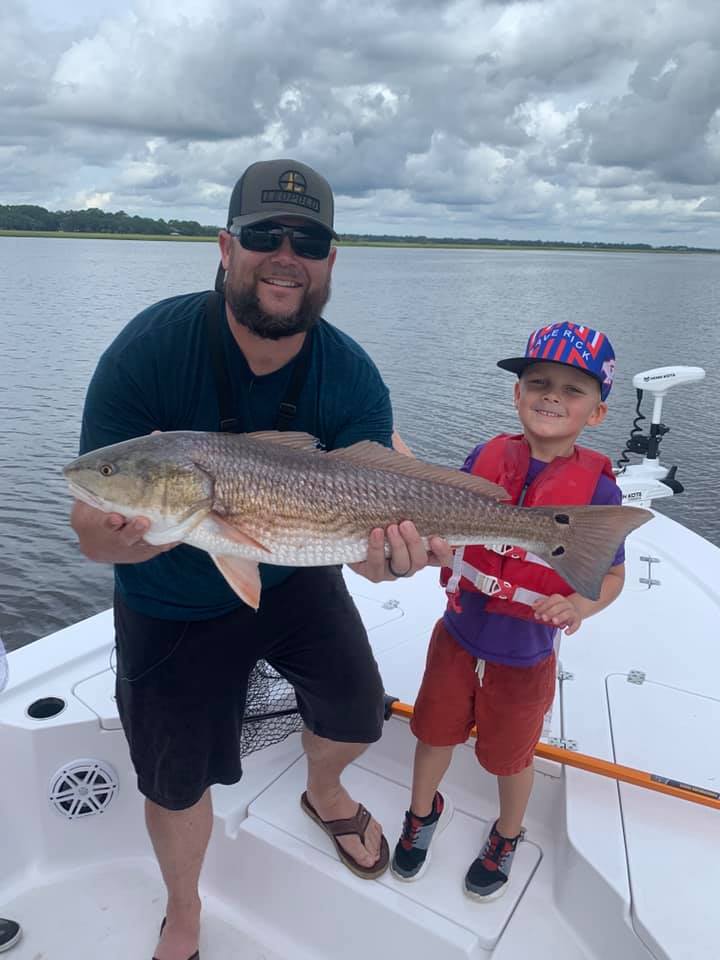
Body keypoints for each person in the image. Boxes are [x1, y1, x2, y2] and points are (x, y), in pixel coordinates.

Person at [70, 158, 451, 960]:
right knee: (174, 778)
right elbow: (87, 522)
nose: (286, 253)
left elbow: (369, 520)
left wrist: (387, 561)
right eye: (262, 235)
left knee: (356, 712)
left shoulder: (349, 373)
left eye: (307, 240)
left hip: (295, 571)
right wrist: (118, 529)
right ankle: (184, 913)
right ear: (224, 247)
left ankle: (324, 789)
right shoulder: (146, 353)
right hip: (168, 593)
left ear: (331, 262)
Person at [390, 321, 625, 900]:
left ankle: (508, 832)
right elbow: (451, 520)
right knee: (432, 733)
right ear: (516, 394)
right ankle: (421, 814)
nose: (551, 396)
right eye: (538, 382)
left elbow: (612, 573)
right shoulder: (485, 454)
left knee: (509, 757)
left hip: (525, 654)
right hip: (457, 634)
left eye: (573, 390)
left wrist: (578, 604)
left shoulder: (599, 492)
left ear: (596, 412)